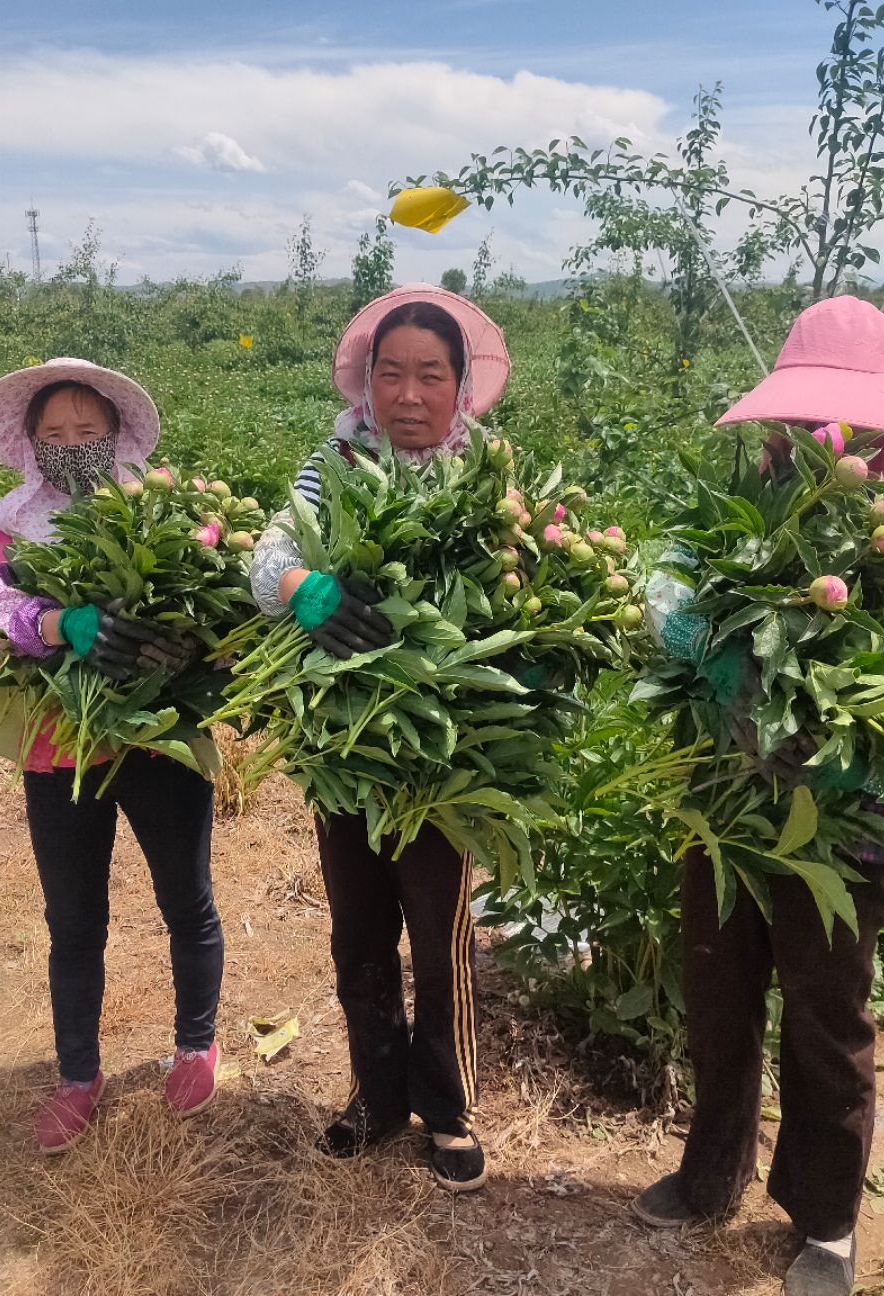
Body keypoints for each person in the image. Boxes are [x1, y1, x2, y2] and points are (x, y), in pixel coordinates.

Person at [631, 296, 884, 1296]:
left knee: (825, 1011)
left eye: (844, 422)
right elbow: (664, 578)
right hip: (729, 803)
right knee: (720, 991)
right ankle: (709, 1170)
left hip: (845, 824)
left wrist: (843, 731)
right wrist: (705, 643)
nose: (822, 438)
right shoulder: (754, 504)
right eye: (808, 420)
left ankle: (826, 1217)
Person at [250, 284, 511, 1192]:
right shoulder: (335, 462)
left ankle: (446, 1106)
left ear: (461, 385)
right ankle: (375, 1093)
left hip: (442, 763)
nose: (408, 395)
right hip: (346, 754)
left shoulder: (487, 474)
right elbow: (269, 554)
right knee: (359, 932)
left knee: (438, 937)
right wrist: (301, 592)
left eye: (430, 375)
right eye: (390, 373)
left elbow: (522, 583)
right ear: (367, 383)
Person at [0, 358, 225, 1153]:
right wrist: (59, 624)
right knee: (73, 920)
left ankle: (196, 1042)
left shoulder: (165, 506)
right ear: (31, 443)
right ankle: (78, 1074)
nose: (72, 444)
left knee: (186, 897)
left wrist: (180, 635)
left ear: (116, 436)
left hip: (156, 737)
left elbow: (206, 600)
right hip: (60, 740)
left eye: (88, 431)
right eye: (55, 433)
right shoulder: (11, 521)